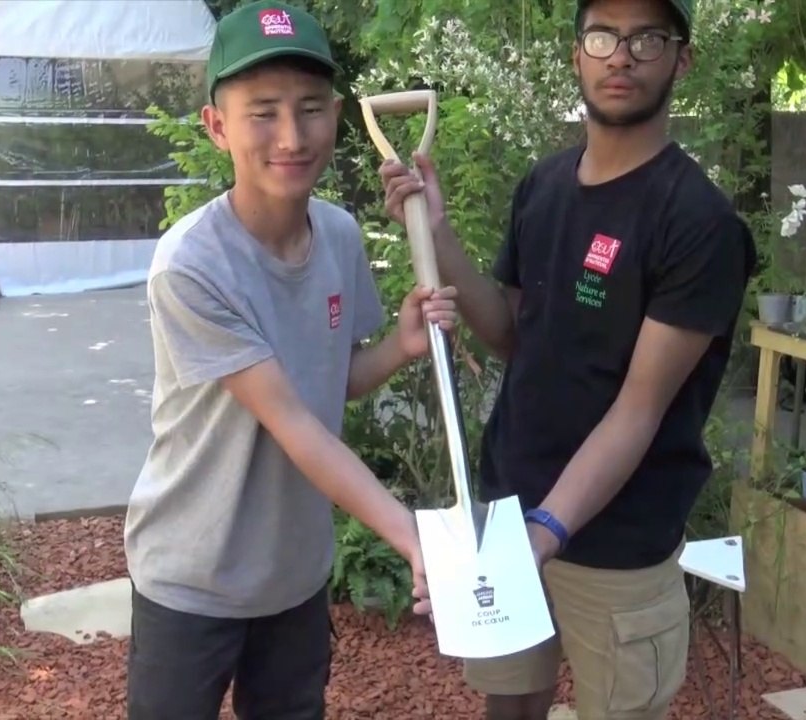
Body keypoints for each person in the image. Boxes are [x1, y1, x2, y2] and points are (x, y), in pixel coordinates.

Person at [380, 0, 756, 718]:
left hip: (617, 538)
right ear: (577, 54)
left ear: (682, 60)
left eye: (647, 38)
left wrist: (546, 531)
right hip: (512, 500)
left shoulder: (697, 222)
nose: (622, 55)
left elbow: (640, 409)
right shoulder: (544, 186)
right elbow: (512, 335)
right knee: (510, 706)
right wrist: (440, 232)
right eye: (603, 35)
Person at [123, 2, 454, 718]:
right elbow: (292, 425)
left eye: (310, 110)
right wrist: (411, 534)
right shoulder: (191, 266)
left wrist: (399, 346)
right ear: (218, 127)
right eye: (262, 113)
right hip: (193, 577)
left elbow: (331, 385)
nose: (291, 137)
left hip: (294, 577)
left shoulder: (337, 237)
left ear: (336, 116)